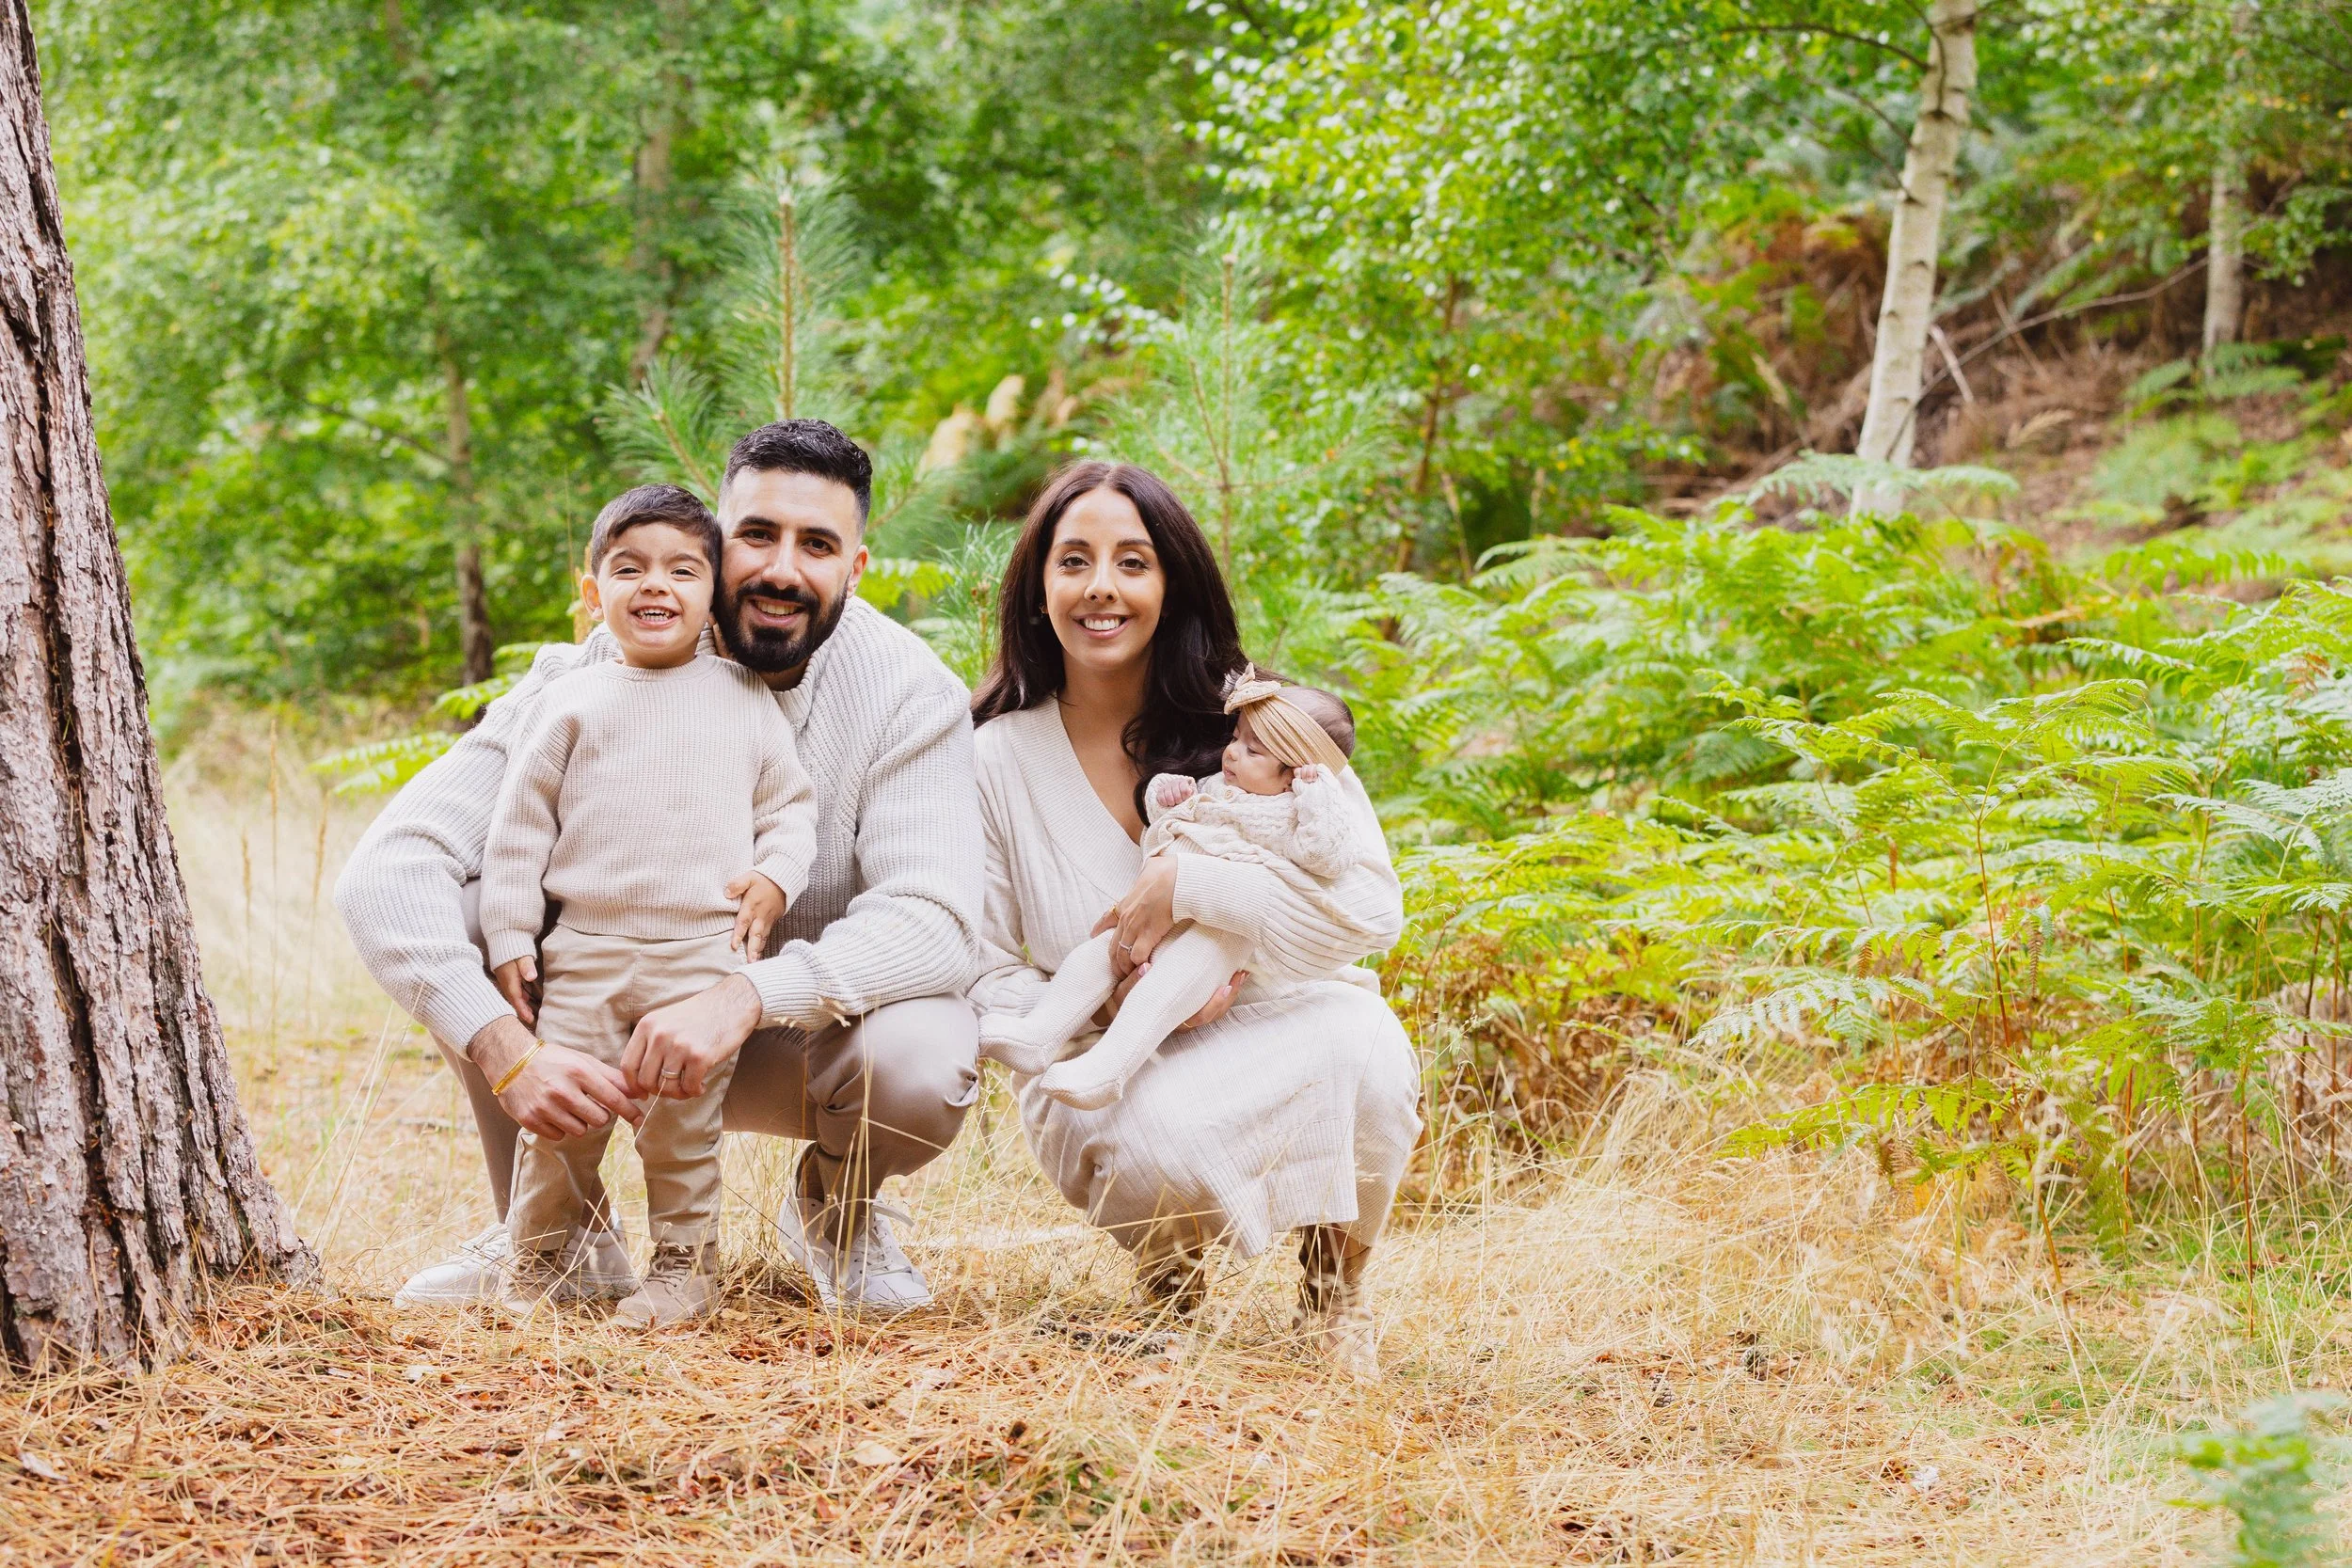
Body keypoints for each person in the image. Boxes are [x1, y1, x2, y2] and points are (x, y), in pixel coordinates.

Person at [336, 420, 983, 1317]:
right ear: (715, 541)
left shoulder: (909, 693)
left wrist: (747, 997)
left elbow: (938, 919)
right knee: (487, 904)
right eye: (756, 535)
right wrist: (504, 1047)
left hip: (795, 1038)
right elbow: (388, 868)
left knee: (925, 1054)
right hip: (601, 1014)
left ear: (857, 566)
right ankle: (558, 1236)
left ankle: (838, 1214)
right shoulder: (590, 672)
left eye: (818, 545)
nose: (782, 570)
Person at [967, 461, 1422, 1381]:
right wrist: (1087, 1009)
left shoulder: (1261, 716)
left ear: (1171, 583)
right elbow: (976, 961)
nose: (1102, 586)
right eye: (1074, 561)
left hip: (1278, 1013)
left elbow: (1371, 914)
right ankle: (1168, 1283)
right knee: (1156, 1145)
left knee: (1369, 1049)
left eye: (1132, 561)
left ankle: (1334, 1293)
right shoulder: (994, 757)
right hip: (1102, 1049)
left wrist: (1190, 887)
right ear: (1036, 589)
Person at [479, 484, 818, 1327]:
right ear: (594, 595)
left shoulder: (744, 698)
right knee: (563, 1124)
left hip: (701, 953)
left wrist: (776, 875)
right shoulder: (571, 702)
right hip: (586, 948)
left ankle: (683, 1266)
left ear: (713, 596)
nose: (655, 585)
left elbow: (790, 808)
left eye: (682, 569)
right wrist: (509, 931)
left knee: (680, 1127)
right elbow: (519, 829)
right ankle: (543, 1262)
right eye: (628, 569)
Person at [977, 669, 1391, 1114]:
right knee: (1095, 955)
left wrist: (1318, 793)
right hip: (1160, 918)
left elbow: (1327, 855)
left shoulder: (1294, 813)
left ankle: (1108, 1069)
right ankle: (1040, 1032)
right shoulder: (1221, 786)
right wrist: (1165, 796)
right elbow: (1167, 827)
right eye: (1235, 738)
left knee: (1165, 988)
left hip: (1220, 935)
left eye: (1252, 750)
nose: (1231, 754)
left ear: (1294, 771)